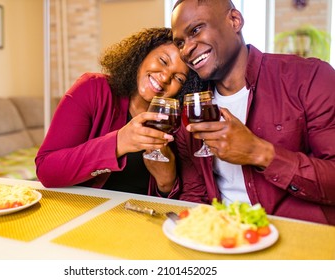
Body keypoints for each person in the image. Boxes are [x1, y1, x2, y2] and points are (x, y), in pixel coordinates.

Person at [171, 0, 335, 225]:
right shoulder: (192, 111)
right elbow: (195, 196)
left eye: (196, 30)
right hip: (223, 240)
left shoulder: (310, 78)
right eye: (180, 42)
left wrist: (259, 153)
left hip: (296, 240)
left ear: (234, 20)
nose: (187, 49)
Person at [35, 27, 200, 198]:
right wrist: (118, 142)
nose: (165, 77)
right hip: (88, 212)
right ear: (143, 54)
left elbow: (188, 196)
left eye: (178, 78)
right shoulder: (93, 89)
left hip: (143, 217)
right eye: (163, 61)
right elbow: (47, 170)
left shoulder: (177, 124)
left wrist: (166, 183)